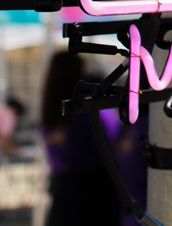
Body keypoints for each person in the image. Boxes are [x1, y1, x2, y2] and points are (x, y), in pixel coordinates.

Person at [40, 52, 120, 226]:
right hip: (92, 194)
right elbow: (106, 150)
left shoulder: (50, 112)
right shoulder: (84, 112)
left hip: (62, 191)